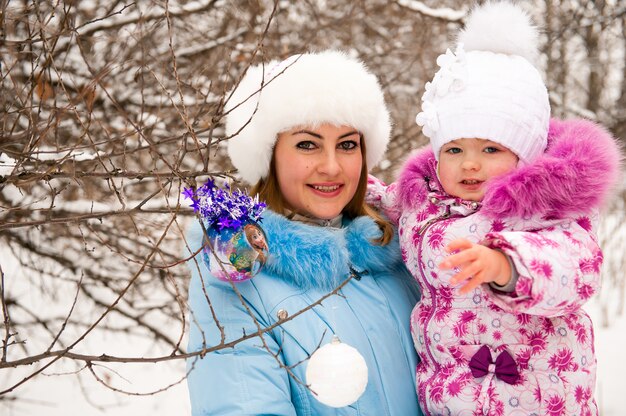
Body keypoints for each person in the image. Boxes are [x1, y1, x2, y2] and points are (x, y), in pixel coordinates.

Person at [366, 3, 622, 415]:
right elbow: (382, 200)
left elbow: (577, 267)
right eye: (454, 148)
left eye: (490, 148)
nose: (470, 163)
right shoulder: (424, 201)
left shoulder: (546, 207)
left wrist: (508, 266)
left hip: (541, 399)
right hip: (451, 398)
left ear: (525, 154)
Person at [185, 50, 423, 415]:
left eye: (347, 145)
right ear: (269, 156)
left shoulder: (400, 253)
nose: (331, 166)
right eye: (307, 144)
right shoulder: (236, 272)